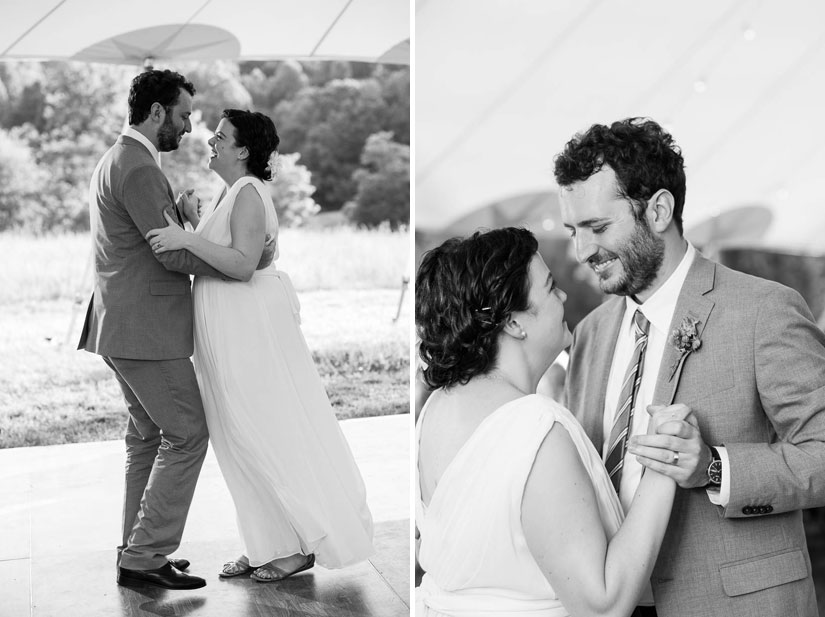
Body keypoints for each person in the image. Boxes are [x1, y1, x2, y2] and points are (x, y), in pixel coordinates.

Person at [556, 117, 825, 617]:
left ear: (658, 209)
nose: (582, 251)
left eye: (597, 227)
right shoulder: (591, 332)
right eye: (573, 230)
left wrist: (715, 467)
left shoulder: (763, 309)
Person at [146, 109, 374, 582]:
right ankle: (264, 543)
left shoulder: (249, 191)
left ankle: (298, 545)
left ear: (244, 149)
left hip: (247, 332)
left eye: (222, 137)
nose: (212, 141)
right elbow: (227, 254)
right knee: (235, 439)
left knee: (262, 431)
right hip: (225, 331)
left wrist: (182, 238)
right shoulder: (230, 193)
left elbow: (243, 264)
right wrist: (193, 225)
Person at [415, 226, 689, 617]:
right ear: (513, 322)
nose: (562, 296)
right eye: (550, 287)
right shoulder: (534, 428)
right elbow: (603, 605)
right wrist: (664, 465)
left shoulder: (438, 407)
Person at [77, 69, 261, 590]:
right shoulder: (138, 168)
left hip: (121, 324)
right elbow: (171, 254)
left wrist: (178, 217)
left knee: (147, 437)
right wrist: (236, 261)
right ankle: (145, 556)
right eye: (181, 116)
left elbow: (148, 237)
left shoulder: (117, 159)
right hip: (145, 330)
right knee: (186, 434)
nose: (187, 129)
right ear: (156, 112)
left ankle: (135, 549)